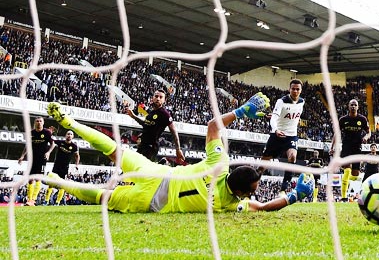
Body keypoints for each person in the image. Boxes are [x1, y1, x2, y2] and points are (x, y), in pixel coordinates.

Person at [45, 93, 314, 213]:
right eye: (251, 190)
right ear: (242, 193)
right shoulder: (228, 205)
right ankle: (54, 182)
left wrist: (242, 111)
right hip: (152, 200)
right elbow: (263, 207)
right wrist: (294, 196)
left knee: (115, 150)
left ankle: (70, 123)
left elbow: (212, 126)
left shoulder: (219, 164)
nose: (252, 193)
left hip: (159, 172)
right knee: (103, 197)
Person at [259, 79, 305, 194]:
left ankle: (283, 191)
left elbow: (294, 117)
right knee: (262, 166)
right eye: (293, 89)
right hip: (277, 135)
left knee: (292, 157)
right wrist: (276, 129)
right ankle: (249, 190)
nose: (295, 91)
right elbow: (274, 118)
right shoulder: (281, 101)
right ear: (289, 89)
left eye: (297, 89)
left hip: (291, 136)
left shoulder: (302, 102)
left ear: (301, 90)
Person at [126, 89, 185, 164]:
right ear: (152, 98)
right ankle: (160, 164)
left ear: (164, 100)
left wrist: (178, 149)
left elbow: (174, 132)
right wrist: (133, 116)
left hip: (151, 147)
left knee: (138, 168)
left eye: (161, 97)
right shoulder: (151, 113)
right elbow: (145, 124)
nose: (158, 99)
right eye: (156, 96)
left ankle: (160, 165)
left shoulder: (165, 114)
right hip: (142, 146)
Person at [329, 99, 371, 202]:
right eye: (351, 105)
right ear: (348, 106)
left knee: (355, 174)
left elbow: (369, 132)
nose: (353, 106)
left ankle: (352, 185)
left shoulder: (362, 119)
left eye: (355, 105)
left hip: (357, 147)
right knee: (347, 170)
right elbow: (336, 133)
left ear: (358, 107)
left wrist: (366, 137)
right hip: (346, 147)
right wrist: (332, 147)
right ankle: (344, 197)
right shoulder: (343, 119)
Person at [18, 116, 56, 206]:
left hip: (42, 159)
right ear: (34, 123)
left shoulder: (47, 132)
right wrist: (22, 156)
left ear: (43, 123)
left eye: (40, 121)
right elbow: (27, 146)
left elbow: (53, 144)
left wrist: (48, 153)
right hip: (32, 158)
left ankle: (33, 200)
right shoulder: (31, 133)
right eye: (37, 121)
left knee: (38, 178)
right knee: (30, 179)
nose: (39, 122)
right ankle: (29, 200)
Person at [44, 130, 80, 205]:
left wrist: (76, 164)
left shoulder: (74, 146)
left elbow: (77, 156)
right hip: (56, 166)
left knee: (62, 185)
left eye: (71, 134)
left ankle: (57, 202)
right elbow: (53, 143)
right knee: (51, 183)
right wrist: (49, 152)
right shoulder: (60, 142)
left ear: (72, 136)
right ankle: (46, 200)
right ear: (65, 135)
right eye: (68, 134)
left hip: (64, 168)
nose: (69, 135)